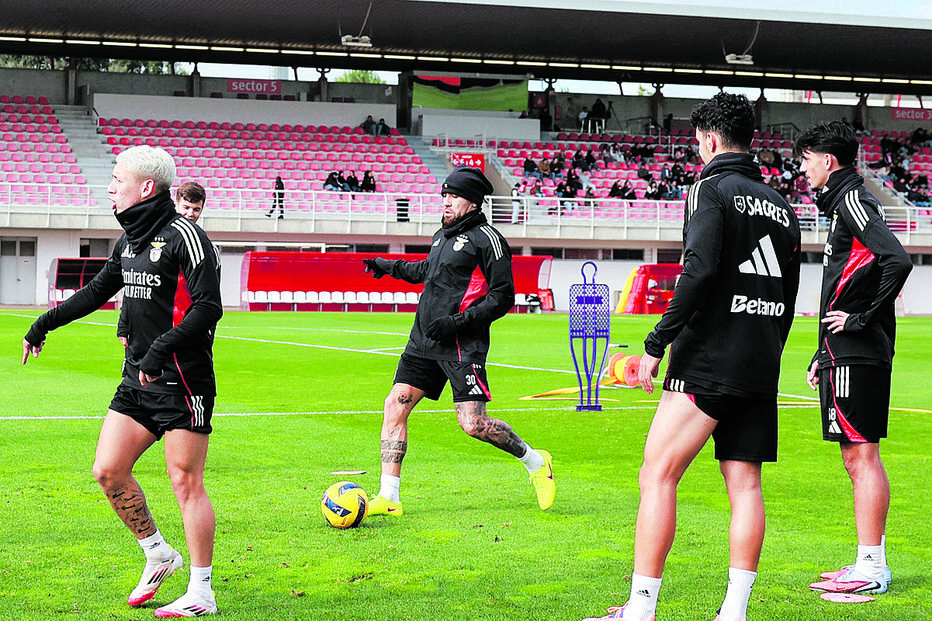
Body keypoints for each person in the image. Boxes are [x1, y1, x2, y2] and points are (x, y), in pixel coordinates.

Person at [583, 93, 801, 621]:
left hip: (709, 357)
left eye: (698, 141)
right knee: (745, 484)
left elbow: (698, 270)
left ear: (709, 139)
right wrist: (768, 350)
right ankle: (735, 612)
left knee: (657, 475)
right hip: (760, 359)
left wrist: (656, 343)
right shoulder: (783, 205)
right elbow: (790, 294)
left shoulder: (709, 187)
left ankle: (640, 610)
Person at [21, 145, 222, 616]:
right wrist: (44, 324)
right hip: (137, 379)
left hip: (183, 381)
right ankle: (158, 553)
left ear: (146, 187)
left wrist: (159, 350)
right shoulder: (129, 239)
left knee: (185, 481)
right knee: (108, 470)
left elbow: (208, 308)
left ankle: (201, 591)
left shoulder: (186, 237)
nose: (110, 187)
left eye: (117, 179)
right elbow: (97, 290)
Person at [360, 165, 555, 518]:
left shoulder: (488, 239)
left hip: (462, 345)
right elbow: (427, 272)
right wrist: (387, 266)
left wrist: (456, 323)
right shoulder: (442, 235)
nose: (446, 202)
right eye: (445, 195)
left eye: (454, 196)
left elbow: (503, 296)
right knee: (395, 405)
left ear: (473, 202)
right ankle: (389, 497)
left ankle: (536, 461)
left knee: (473, 424)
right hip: (423, 342)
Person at [794, 121, 912, 597]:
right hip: (842, 351)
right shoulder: (841, 205)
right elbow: (845, 283)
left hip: (858, 352)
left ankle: (872, 568)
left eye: (806, 160)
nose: (802, 169)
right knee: (854, 455)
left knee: (862, 455)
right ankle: (868, 560)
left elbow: (897, 260)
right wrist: (821, 351)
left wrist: (860, 321)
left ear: (828, 160)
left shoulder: (852, 201)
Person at [118, 181, 209, 347]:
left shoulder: (200, 244)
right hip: (145, 331)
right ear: (175, 204)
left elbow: (208, 301)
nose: (190, 214)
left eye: (196, 209)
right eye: (186, 207)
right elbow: (136, 280)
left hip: (179, 333)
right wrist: (124, 322)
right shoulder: (154, 235)